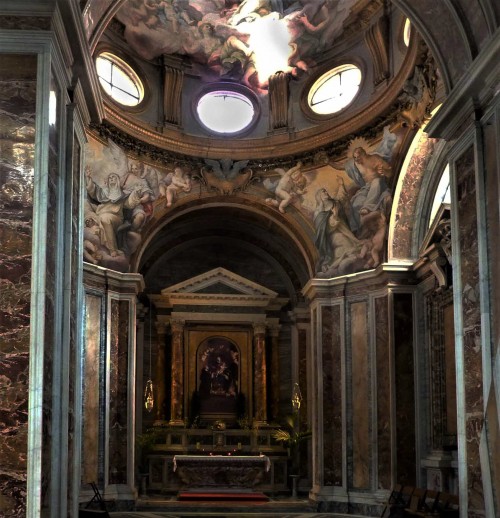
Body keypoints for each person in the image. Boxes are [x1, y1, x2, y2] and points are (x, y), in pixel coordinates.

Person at [85, 167, 135, 257]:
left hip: (115, 217)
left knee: (105, 218)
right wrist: (88, 178)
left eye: (114, 177)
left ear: (118, 181)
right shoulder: (104, 192)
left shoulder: (123, 194)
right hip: (100, 214)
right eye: (110, 178)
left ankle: (112, 249)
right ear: (107, 181)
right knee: (92, 220)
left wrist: (136, 195)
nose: (112, 179)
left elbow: (129, 204)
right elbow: (93, 191)